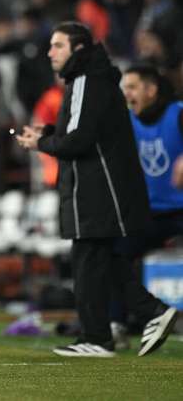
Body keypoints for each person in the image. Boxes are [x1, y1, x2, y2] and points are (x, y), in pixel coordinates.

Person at [16, 21, 177, 358]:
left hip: (98, 187)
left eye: (58, 45)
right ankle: (139, 318)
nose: (50, 52)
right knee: (100, 259)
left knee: (89, 259)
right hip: (95, 186)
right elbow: (81, 129)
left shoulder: (88, 79)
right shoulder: (87, 79)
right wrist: (46, 133)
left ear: (77, 49)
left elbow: (79, 139)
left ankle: (104, 333)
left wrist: (42, 142)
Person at [111, 66, 183, 347]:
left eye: (132, 87)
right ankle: (116, 325)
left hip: (180, 208)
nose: (126, 94)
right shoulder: (126, 121)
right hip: (149, 213)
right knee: (114, 254)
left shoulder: (177, 113)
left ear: (151, 90)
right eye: (124, 88)